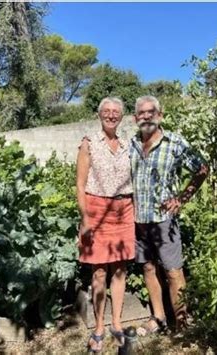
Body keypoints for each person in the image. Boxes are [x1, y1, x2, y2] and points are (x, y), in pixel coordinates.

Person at [130, 95, 208, 335]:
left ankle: (182, 324)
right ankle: (159, 318)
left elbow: (202, 168)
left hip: (164, 221)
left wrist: (181, 199)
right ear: (135, 118)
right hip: (138, 221)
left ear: (160, 115)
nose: (146, 116)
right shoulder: (131, 144)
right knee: (148, 268)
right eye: (141, 113)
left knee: (173, 272)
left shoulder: (174, 142)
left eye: (151, 112)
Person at [76, 97, 135, 352]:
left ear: (121, 117)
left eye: (116, 112)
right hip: (97, 210)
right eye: (107, 111)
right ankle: (99, 327)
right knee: (99, 271)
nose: (111, 115)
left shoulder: (128, 145)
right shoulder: (89, 143)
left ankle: (117, 323)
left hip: (124, 210)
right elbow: (79, 184)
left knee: (120, 269)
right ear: (100, 114)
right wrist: (85, 218)